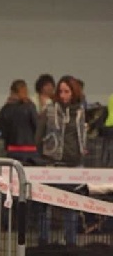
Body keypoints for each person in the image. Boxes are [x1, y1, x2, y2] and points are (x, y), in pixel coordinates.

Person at [36, 75, 87, 245]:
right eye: (61, 91)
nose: (63, 95)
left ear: (74, 93)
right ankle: (43, 241)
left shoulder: (80, 111)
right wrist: (44, 156)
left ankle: (71, 243)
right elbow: (38, 136)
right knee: (46, 206)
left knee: (70, 207)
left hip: (74, 165)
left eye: (67, 91)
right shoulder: (49, 111)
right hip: (53, 164)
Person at [0, 79, 38, 164]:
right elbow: (36, 126)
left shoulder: (5, 109)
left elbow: (3, 132)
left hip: (12, 150)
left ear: (11, 92)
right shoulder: (30, 106)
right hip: (30, 150)